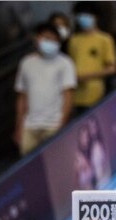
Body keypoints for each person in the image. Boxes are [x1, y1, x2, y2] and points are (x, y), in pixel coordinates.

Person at [14, 23, 76, 155]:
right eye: (46, 38)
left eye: (54, 39)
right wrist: (19, 125)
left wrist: (62, 123)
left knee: (54, 164)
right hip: (30, 125)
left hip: (54, 125)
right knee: (28, 167)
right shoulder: (26, 63)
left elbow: (68, 95)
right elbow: (22, 97)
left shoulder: (65, 63)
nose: (50, 42)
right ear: (36, 39)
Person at [67, 2, 116, 115]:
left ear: (96, 17)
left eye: (86, 15)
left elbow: (112, 67)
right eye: (79, 15)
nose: (82, 18)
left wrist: (88, 76)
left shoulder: (105, 39)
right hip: (76, 95)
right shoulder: (73, 40)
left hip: (96, 93)